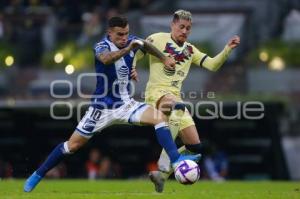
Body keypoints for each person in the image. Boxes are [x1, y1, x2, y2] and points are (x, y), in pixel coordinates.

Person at [23, 16, 200, 192]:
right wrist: (129, 48)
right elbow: (106, 59)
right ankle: (37, 175)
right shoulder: (101, 46)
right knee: (72, 146)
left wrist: (162, 58)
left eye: (126, 34)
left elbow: (146, 45)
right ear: (109, 33)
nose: (124, 38)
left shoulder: (132, 41)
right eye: (120, 34)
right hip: (101, 109)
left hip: (125, 105)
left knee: (159, 117)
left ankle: (176, 160)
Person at [133, 10, 240, 192]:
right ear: (172, 25)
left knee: (195, 148)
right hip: (157, 93)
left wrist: (227, 49)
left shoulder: (190, 50)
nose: (184, 31)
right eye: (181, 27)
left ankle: (161, 175)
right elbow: (137, 51)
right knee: (176, 106)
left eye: (188, 28)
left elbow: (212, 65)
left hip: (176, 99)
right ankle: (165, 162)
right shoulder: (157, 38)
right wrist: (133, 67)